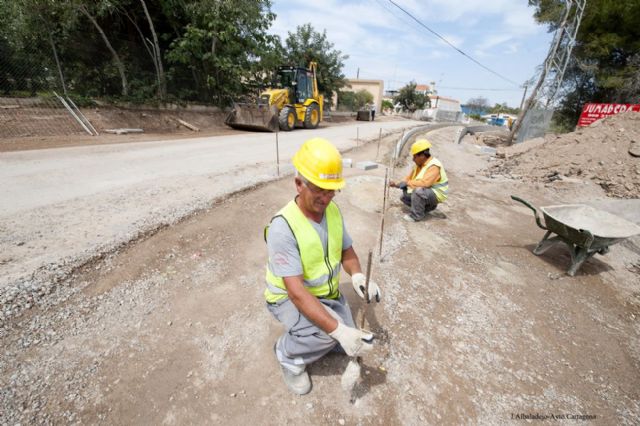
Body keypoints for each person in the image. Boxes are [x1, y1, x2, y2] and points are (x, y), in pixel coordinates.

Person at [264, 137, 382, 395]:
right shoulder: (283, 228)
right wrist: (336, 329)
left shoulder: (333, 211)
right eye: (319, 189)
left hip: (323, 295)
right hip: (288, 297)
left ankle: (323, 334)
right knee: (328, 335)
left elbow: (346, 249)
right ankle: (287, 355)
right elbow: (296, 292)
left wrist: (358, 276)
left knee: (346, 336)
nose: (327, 197)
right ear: (299, 184)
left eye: (332, 190)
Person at [389, 138, 449, 222]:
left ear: (422, 156)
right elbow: (408, 178)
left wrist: (407, 183)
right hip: (427, 192)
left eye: (415, 156)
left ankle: (416, 216)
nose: (413, 159)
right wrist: (397, 184)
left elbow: (425, 184)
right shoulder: (419, 165)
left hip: (437, 194)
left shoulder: (434, 166)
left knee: (418, 191)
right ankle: (426, 209)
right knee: (404, 197)